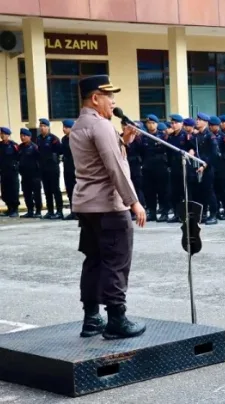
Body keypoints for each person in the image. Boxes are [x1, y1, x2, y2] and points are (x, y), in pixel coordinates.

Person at [70, 74, 147, 340]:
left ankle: (91, 319)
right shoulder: (101, 126)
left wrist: (123, 140)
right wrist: (134, 202)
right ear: (95, 98)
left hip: (87, 205)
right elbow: (114, 168)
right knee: (115, 261)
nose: (113, 102)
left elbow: (98, 161)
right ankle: (116, 319)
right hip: (109, 206)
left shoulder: (79, 125)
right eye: (109, 97)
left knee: (93, 260)